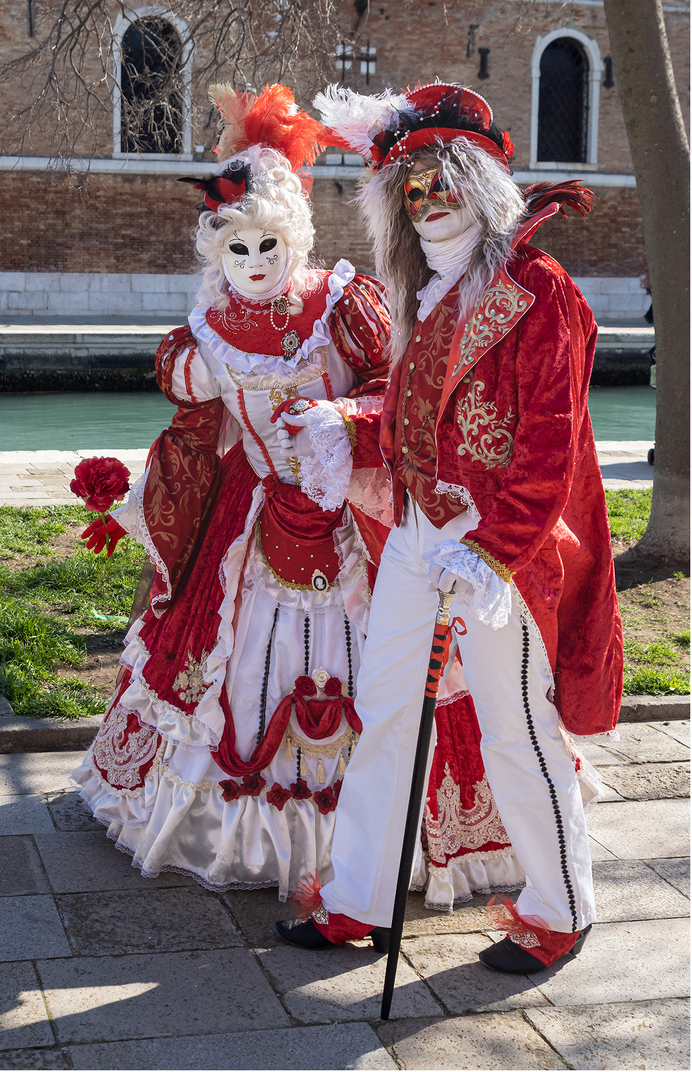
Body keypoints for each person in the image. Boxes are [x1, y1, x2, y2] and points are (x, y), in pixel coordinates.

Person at [71, 84, 525, 909]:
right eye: (235, 248)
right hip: (249, 521)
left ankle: (377, 849)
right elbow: (192, 421)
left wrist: (340, 422)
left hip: (351, 507)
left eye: (266, 244)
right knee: (220, 659)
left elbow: (402, 388)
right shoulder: (202, 331)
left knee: (395, 666)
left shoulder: (343, 303)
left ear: (296, 238)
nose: (252, 264)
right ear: (216, 253)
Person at [275, 81, 622, 972]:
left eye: (442, 182)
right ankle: (359, 896)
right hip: (420, 535)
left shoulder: (540, 293)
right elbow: (414, 405)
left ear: (479, 183)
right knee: (387, 708)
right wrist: (349, 425)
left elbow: (551, 443)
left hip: (500, 548)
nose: (428, 201)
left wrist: (493, 550)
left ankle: (559, 907)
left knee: (514, 727)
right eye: (410, 188)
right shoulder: (425, 290)